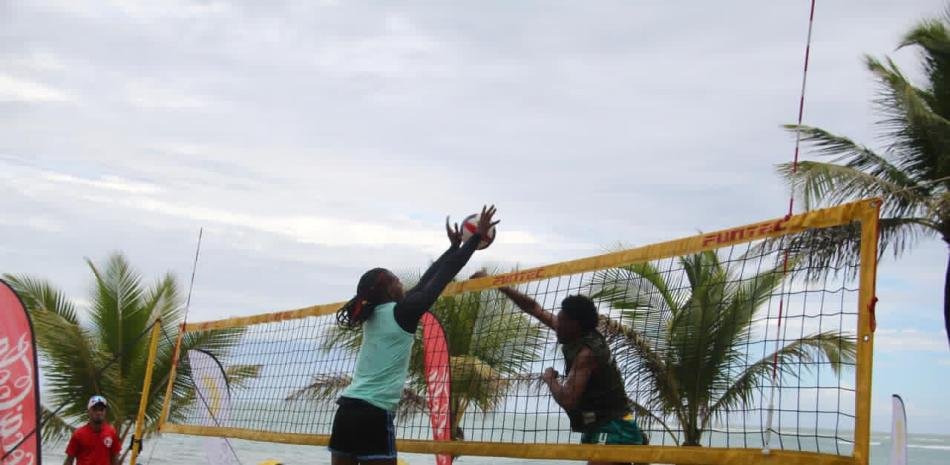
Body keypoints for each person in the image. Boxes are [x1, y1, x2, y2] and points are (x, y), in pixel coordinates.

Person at [328, 205, 499, 465]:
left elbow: (428, 280)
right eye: (396, 280)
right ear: (386, 288)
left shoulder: (376, 314)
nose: (401, 283)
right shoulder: (403, 312)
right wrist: (474, 238)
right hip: (373, 413)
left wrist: (453, 247)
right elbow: (442, 277)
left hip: (347, 411)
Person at [481, 277, 645, 465]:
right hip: (599, 423)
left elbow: (568, 399)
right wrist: (499, 286)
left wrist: (550, 378)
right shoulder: (574, 334)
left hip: (613, 426)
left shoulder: (587, 354)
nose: (557, 324)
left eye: (562, 321)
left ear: (575, 324)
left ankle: (635, 442)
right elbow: (533, 307)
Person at [64, 395, 120, 465]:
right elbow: (69, 460)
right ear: (89, 411)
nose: (98, 412)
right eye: (95, 409)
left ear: (105, 412)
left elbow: (114, 459)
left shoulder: (111, 432)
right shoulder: (79, 434)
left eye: (101, 409)